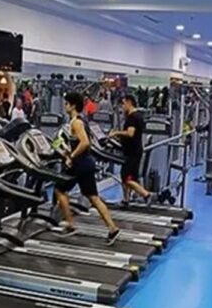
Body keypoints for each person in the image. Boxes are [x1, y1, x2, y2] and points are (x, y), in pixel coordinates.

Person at [55, 92, 120, 244]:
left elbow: (85, 143)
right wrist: (67, 152)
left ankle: (70, 224)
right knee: (93, 197)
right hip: (84, 163)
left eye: (66, 103)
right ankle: (112, 228)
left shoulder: (76, 123)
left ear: (72, 105)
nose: (64, 106)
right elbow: (80, 142)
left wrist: (71, 156)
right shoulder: (81, 120)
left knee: (59, 189)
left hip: (80, 164)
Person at [109, 94, 157, 205]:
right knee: (128, 177)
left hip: (132, 153)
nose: (122, 107)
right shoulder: (137, 116)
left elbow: (130, 133)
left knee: (127, 178)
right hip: (134, 151)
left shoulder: (132, 117)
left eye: (123, 104)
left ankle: (146, 194)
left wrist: (116, 133)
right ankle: (126, 199)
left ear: (129, 102)